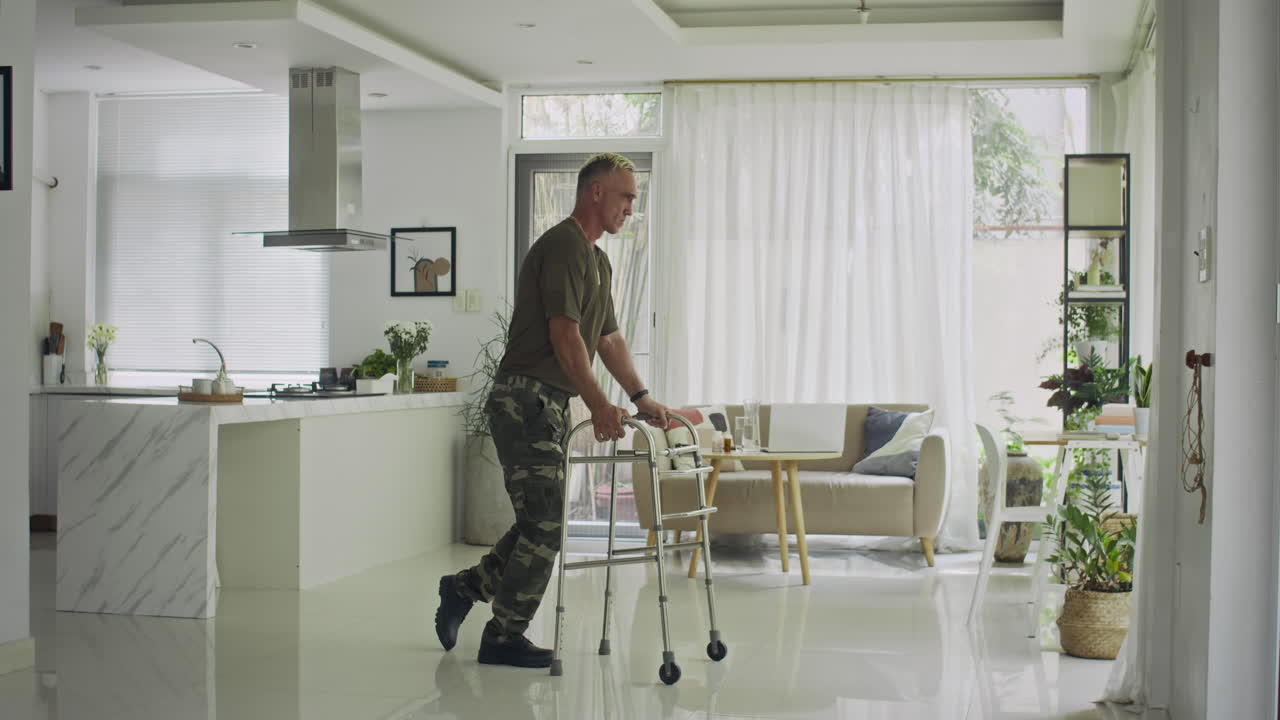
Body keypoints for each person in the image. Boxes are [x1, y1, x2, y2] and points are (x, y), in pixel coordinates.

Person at [435, 152, 671, 668]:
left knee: (539, 522)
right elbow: (563, 333)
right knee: (544, 525)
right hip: (523, 399)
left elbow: (606, 337)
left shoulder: (598, 259)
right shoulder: (563, 245)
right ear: (595, 193)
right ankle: (501, 635)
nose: (632, 206)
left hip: (547, 402)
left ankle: (463, 588)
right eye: (626, 195)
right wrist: (599, 404)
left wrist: (640, 397)